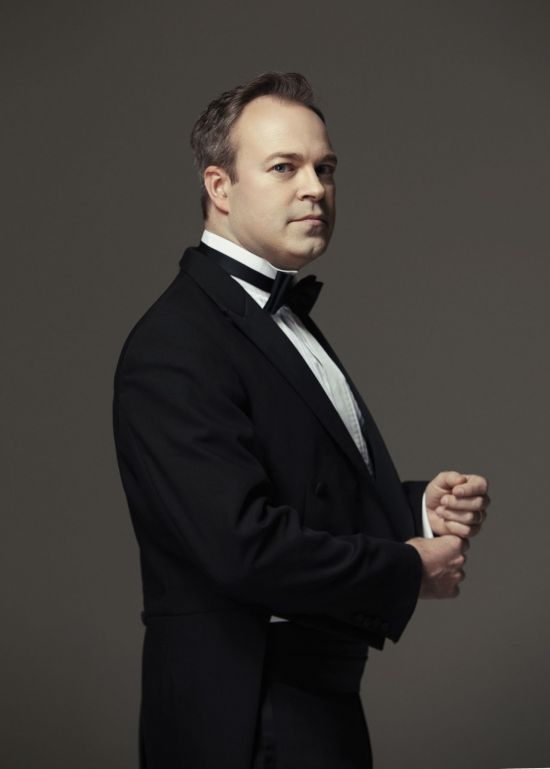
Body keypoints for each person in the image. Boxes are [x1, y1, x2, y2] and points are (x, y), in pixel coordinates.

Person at [112, 71, 490, 769]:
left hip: (313, 703)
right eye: (284, 167)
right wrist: (406, 566)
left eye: (326, 168)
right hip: (243, 716)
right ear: (220, 187)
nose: (315, 188)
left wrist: (415, 509)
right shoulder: (176, 344)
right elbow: (244, 547)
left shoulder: (276, 320)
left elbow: (300, 491)